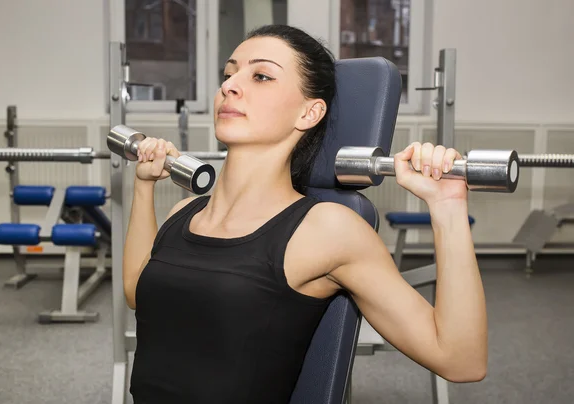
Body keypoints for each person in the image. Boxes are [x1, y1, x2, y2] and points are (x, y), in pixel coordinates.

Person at [123, 24, 487, 404]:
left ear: (309, 112)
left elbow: (461, 361)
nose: (229, 86)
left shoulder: (326, 229)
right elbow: (136, 293)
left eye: (261, 75)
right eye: (229, 74)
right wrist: (143, 187)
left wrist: (447, 207)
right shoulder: (185, 211)